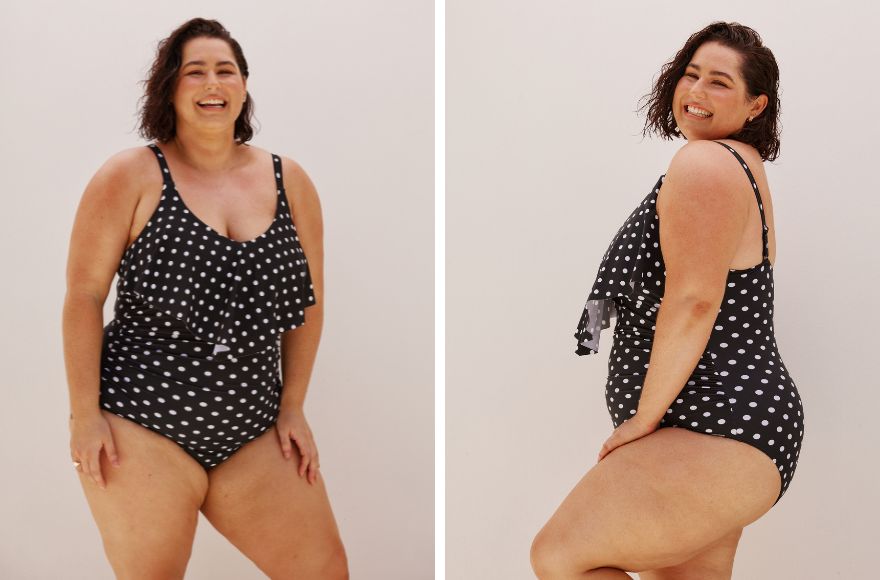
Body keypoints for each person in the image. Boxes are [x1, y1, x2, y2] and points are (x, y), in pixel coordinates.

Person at [62, 18, 348, 579]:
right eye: (195, 72)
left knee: (326, 571)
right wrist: (84, 415)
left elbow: (308, 305)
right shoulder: (131, 175)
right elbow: (83, 296)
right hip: (142, 422)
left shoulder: (290, 181)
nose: (212, 83)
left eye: (226, 70)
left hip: (252, 425)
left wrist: (293, 406)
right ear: (170, 87)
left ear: (243, 87)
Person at [530, 22, 805, 579]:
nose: (697, 91)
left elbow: (695, 302)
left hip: (719, 421)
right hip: (728, 426)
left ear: (757, 105)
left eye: (720, 83)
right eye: (691, 74)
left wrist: (642, 421)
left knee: (559, 557)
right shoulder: (735, 164)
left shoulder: (705, 165)